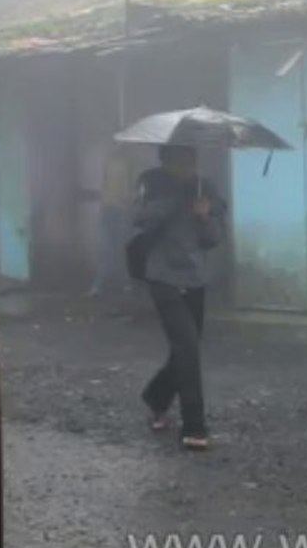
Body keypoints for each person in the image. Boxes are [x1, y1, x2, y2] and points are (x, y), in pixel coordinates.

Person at [131, 145, 226, 451]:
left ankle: (156, 397)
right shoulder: (150, 181)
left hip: (195, 279)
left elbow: (214, 238)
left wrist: (204, 215)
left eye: (190, 161)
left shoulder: (204, 187)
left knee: (186, 348)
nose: (186, 167)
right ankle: (194, 426)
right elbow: (139, 217)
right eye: (179, 161)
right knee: (187, 347)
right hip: (163, 278)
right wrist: (175, 199)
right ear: (165, 160)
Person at [88, 145, 134, 297]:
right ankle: (102, 285)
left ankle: (120, 283)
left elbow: (128, 188)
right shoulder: (110, 162)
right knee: (108, 249)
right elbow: (105, 185)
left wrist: (125, 203)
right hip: (110, 209)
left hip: (117, 209)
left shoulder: (126, 163)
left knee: (116, 249)